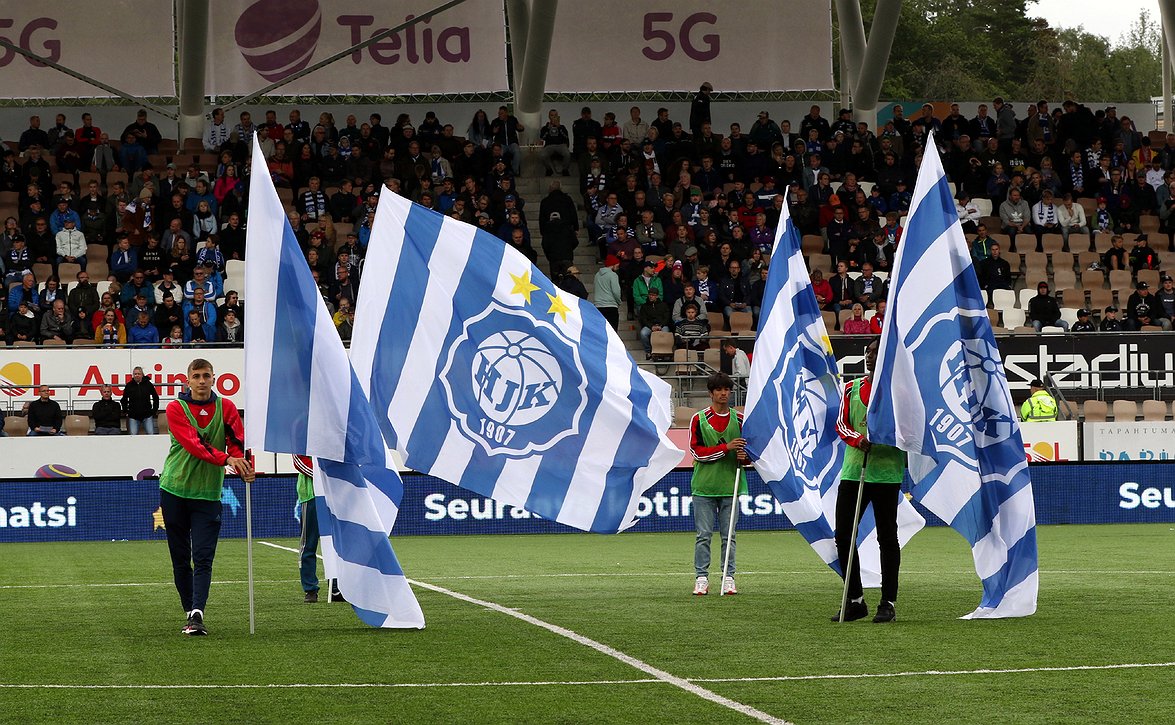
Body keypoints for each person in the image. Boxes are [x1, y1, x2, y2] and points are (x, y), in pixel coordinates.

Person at [159, 358, 253, 636]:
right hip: (174, 490)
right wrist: (229, 460)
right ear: (187, 380)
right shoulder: (176, 408)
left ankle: (197, 613)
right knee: (180, 558)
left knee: (203, 557)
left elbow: (238, 442)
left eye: (206, 376)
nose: (202, 381)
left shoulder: (227, 407)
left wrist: (246, 466)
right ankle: (190, 610)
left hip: (208, 494)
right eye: (196, 376)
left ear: (214, 379)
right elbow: (194, 445)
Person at [833, 339, 905, 623]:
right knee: (843, 535)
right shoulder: (851, 389)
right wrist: (857, 439)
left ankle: (887, 601)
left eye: (876, 352)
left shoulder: (898, 392)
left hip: (887, 472)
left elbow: (908, 426)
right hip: (854, 471)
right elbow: (841, 423)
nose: (870, 356)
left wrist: (885, 436)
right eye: (868, 352)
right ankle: (855, 599)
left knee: (887, 537)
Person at [688, 372, 749, 596]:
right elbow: (696, 452)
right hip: (704, 487)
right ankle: (701, 577)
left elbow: (748, 453)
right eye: (719, 390)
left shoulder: (740, 420)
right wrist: (726, 448)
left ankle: (728, 577)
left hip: (731, 485)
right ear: (711, 393)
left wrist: (745, 457)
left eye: (727, 390)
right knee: (703, 535)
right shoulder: (699, 419)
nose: (724, 394)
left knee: (729, 536)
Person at [122, 365, 160, 434]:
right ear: (133, 375)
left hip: (147, 415)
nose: (137, 375)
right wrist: (126, 411)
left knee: (151, 435)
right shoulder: (129, 385)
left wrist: (154, 411)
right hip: (133, 416)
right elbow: (124, 399)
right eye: (135, 374)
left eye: (138, 374)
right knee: (133, 437)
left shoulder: (148, 384)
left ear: (142, 374)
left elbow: (155, 397)